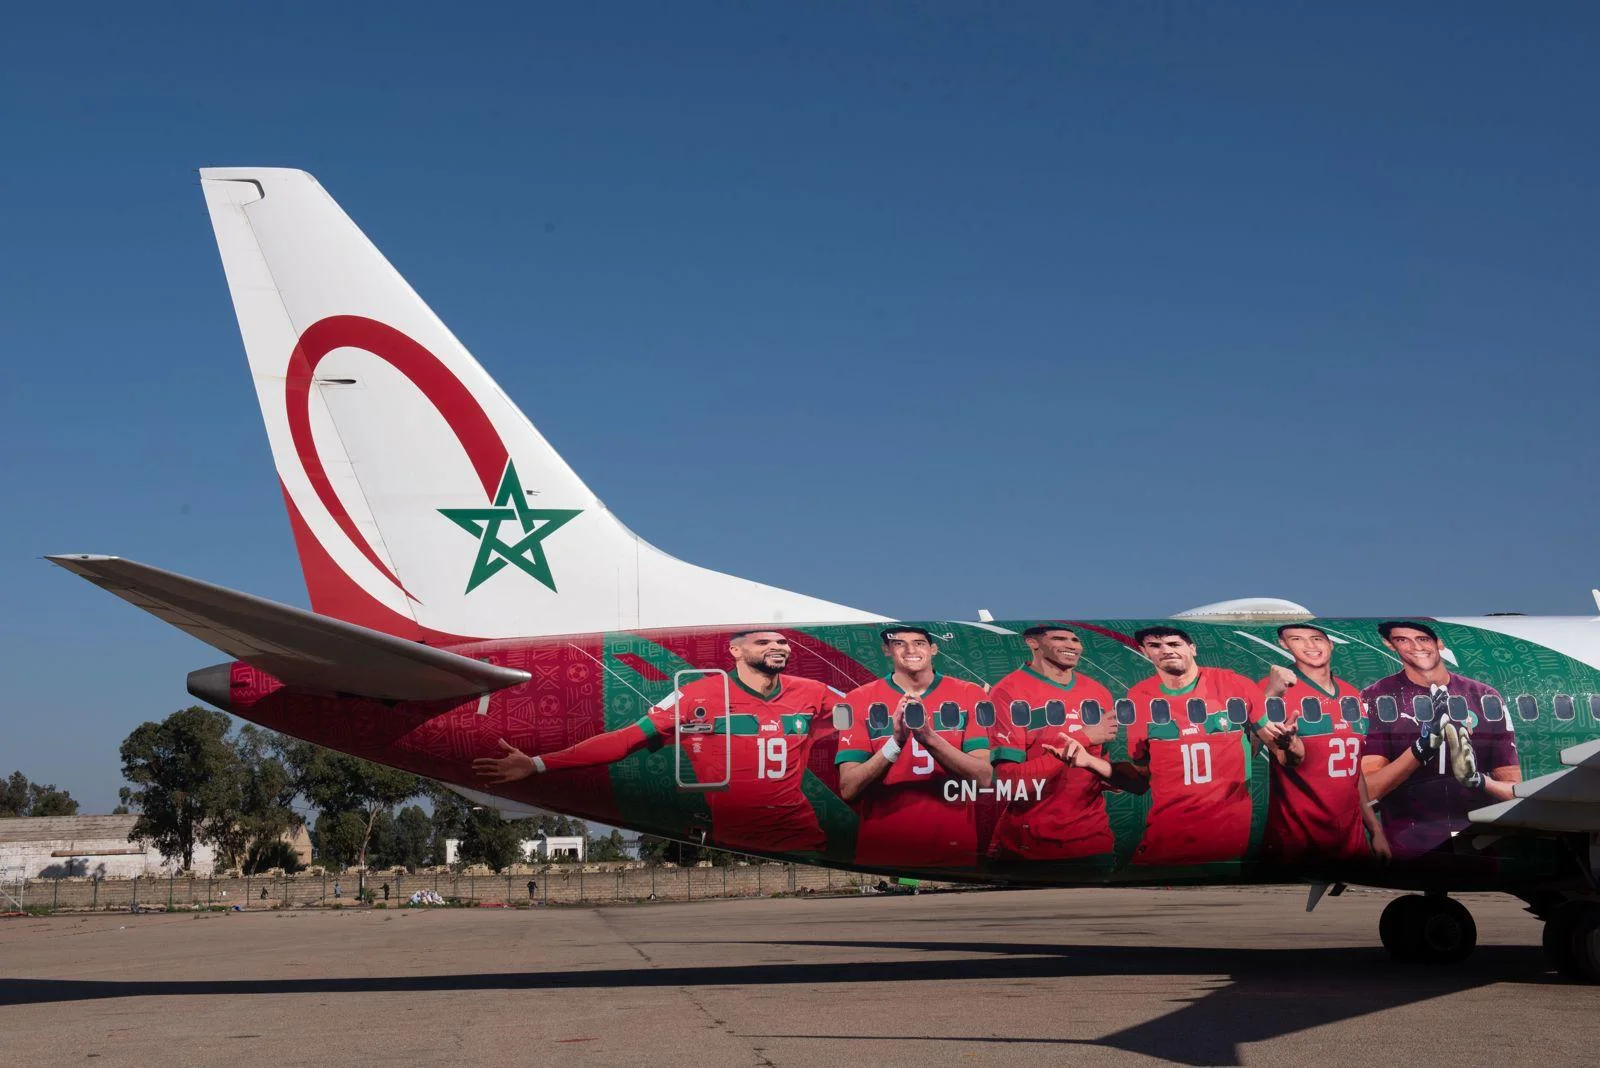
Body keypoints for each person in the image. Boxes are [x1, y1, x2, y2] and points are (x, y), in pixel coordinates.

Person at [474, 630, 838, 855]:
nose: (777, 647)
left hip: (804, 831)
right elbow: (623, 741)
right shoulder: (698, 695)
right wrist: (538, 763)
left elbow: (859, 720)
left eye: (782, 642)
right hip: (742, 832)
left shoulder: (813, 693)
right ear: (735, 651)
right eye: (764, 642)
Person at [1360, 622, 1520, 860]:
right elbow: (1369, 790)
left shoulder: (1484, 696)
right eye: (1402, 640)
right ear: (1390, 645)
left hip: (1478, 844)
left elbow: (1515, 791)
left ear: (1439, 643)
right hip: (1406, 844)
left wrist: (1478, 781)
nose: (1415, 647)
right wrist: (1419, 750)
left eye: (1423, 639)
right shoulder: (1376, 696)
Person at [835, 626, 993, 867]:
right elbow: (848, 788)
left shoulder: (969, 693)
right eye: (899, 643)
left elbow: (983, 778)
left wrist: (928, 737)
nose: (910, 650)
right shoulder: (858, 699)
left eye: (919, 643)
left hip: (953, 849)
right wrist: (896, 742)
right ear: (886, 650)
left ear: (933, 649)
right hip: (883, 850)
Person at [1122, 626, 1263, 866]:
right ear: (1144, 652)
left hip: (1224, 833)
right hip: (1166, 829)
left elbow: (1261, 740)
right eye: (1155, 646)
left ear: (1193, 649)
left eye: (1174, 644)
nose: (1165, 650)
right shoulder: (1138, 696)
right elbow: (1142, 766)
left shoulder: (1231, 683)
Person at [1255, 624, 1390, 866]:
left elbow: (1353, 772)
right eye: (1297, 639)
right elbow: (1251, 752)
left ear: (1331, 644)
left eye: (1317, 638)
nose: (1310, 645)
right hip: (1297, 840)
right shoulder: (1272, 689)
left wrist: (1375, 830)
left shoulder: (1351, 694)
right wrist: (1272, 695)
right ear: (1284, 645)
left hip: (1351, 841)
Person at [987, 625, 1123, 863]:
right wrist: (1083, 738)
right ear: (1033, 643)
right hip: (1028, 847)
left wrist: (1111, 779)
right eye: (1059, 639)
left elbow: (1101, 761)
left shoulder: (1098, 692)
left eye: (1075, 640)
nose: (1071, 645)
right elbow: (1009, 782)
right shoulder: (1008, 692)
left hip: (1092, 842)